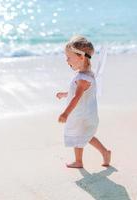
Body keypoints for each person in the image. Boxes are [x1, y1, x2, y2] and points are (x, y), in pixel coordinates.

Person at [57, 35, 111, 168]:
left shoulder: (83, 78)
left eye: (69, 57)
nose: (66, 60)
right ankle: (103, 152)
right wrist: (65, 94)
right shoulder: (87, 74)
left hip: (81, 114)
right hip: (84, 112)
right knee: (84, 136)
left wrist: (65, 113)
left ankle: (81, 160)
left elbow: (77, 97)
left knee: (79, 136)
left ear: (81, 57)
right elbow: (76, 93)